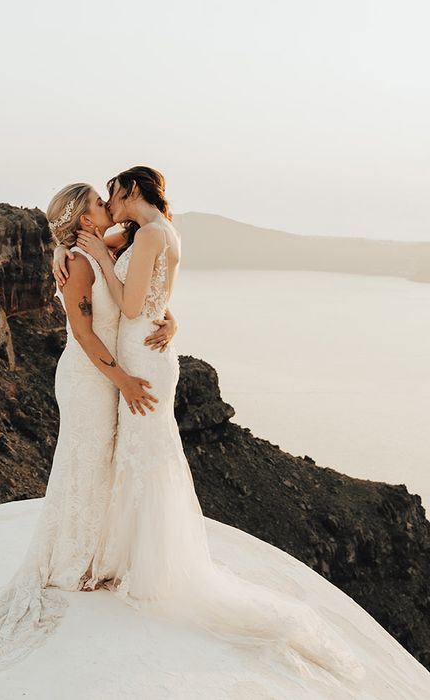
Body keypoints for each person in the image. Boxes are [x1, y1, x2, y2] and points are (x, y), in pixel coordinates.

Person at [67, 165, 367, 687]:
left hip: (142, 357)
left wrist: (98, 259)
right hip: (145, 352)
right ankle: (129, 559)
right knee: (143, 456)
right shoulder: (153, 232)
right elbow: (141, 282)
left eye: (112, 193)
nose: (110, 204)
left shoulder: (155, 233)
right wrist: (95, 256)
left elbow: (135, 304)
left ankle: (146, 571)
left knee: (145, 456)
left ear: (130, 190)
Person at [0, 183, 178, 694]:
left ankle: (93, 556)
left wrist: (171, 319)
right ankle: (72, 564)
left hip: (107, 375)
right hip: (88, 378)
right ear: (84, 220)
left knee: (100, 463)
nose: (109, 209)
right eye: (100, 206)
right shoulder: (76, 263)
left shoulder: (107, 245)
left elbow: (150, 286)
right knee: (84, 462)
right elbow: (83, 334)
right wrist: (123, 379)